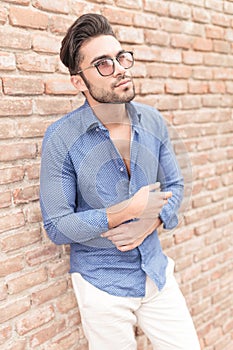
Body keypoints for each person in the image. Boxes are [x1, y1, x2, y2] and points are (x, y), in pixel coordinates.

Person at [40, 13, 200, 350]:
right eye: (103, 64)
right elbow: (57, 225)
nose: (120, 68)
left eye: (120, 57)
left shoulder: (153, 121)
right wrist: (127, 209)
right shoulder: (61, 138)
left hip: (157, 273)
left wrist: (149, 222)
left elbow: (176, 185)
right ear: (79, 82)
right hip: (102, 285)